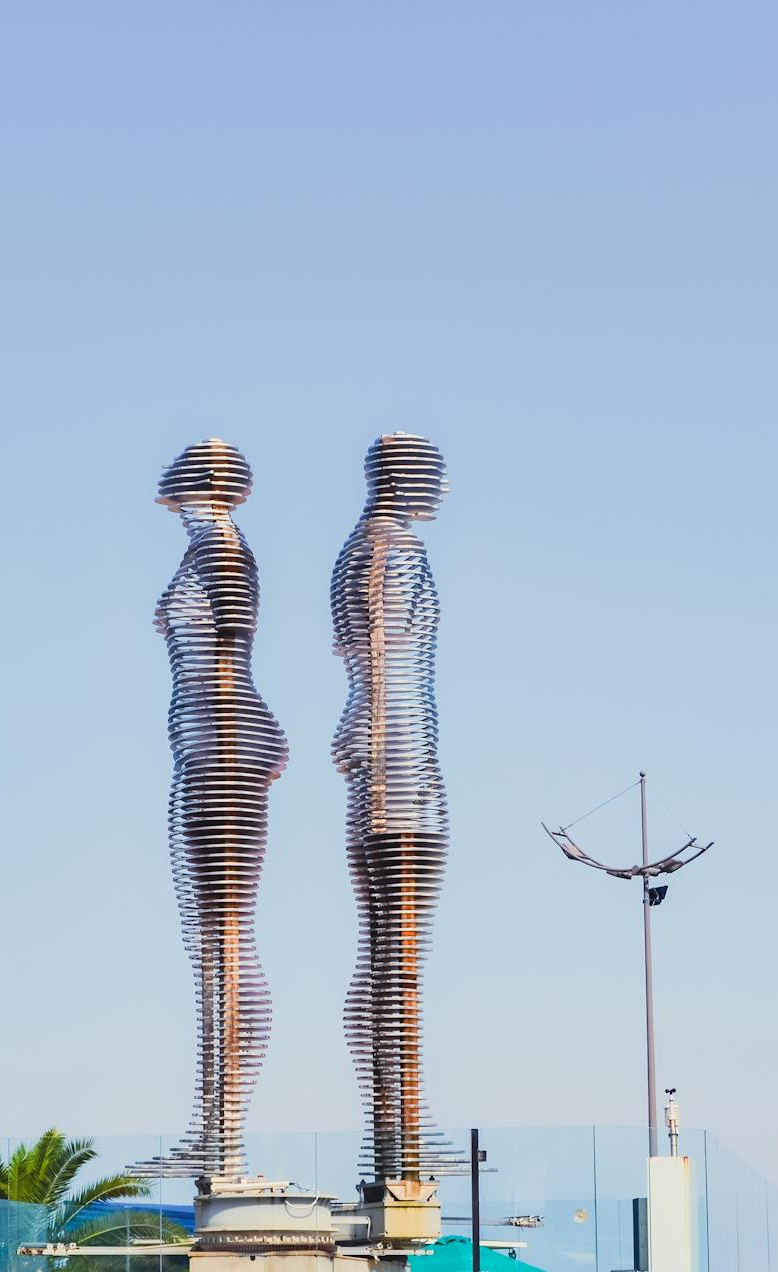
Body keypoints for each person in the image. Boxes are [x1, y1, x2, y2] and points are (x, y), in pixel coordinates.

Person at [141, 439, 287, 1183]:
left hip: (221, 752)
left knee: (223, 945)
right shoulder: (208, 550)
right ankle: (211, 1129)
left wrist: (230, 752)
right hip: (209, 750)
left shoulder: (223, 551)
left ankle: (220, 1133)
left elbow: (230, 651)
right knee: (212, 944)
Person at [331, 433, 454, 1183]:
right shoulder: (388, 548)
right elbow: (380, 663)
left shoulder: (359, 547)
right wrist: (392, 778)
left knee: (385, 963)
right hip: (400, 778)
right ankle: (403, 1127)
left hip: (386, 772)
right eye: (431, 477)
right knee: (398, 966)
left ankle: (400, 1125)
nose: (438, 490)